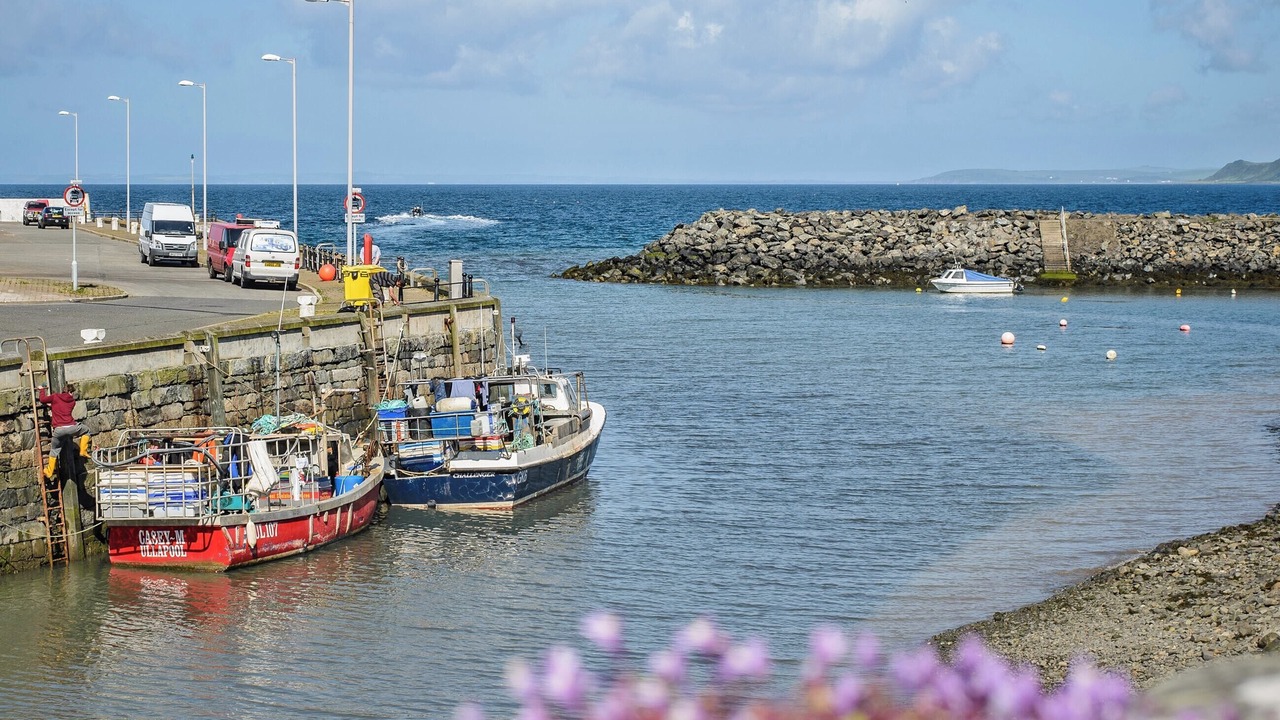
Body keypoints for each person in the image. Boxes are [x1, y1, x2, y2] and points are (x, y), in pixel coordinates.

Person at [38, 383, 88, 455]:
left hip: (58, 429)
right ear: (70, 392)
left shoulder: (55, 397)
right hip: (71, 427)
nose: (73, 395)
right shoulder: (73, 402)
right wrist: (53, 404)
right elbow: (64, 408)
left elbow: (42, 399)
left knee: (54, 450)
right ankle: (83, 451)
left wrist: (42, 390)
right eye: (72, 393)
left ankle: (50, 467)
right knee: (87, 431)